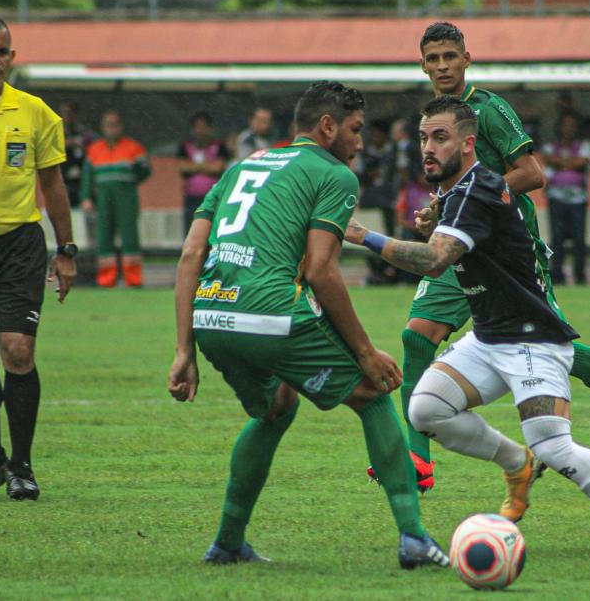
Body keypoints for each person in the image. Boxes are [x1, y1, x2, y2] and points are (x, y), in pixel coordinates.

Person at [347, 96, 590, 555]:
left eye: (440, 138)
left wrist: (363, 236)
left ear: (468, 143)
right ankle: (517, 463)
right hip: (488, 338)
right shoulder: (459, 192)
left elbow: (435, 261)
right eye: (423, 138)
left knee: (557, 449)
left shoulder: (477, 188)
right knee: (425, 410)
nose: (428, 148)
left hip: (533, 341)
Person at [167, 81, 448, 568]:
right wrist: (365, 352)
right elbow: (321, 270)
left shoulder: (241, 167)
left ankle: (228, 543)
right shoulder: (333, 174)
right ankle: (415, 540)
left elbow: (192, 253)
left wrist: (184, 350)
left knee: (275, 407)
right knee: (372, 391)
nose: (360, 143)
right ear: (327, 126)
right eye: (356, 130)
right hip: (268, 309)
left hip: (211, 313)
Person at [388, 22, 590, 495]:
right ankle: (417, 460)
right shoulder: (437, 117)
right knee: (416, 339)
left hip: (510, 249)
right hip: (458, 244)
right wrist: (439, 210)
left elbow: (532, 173)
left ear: (467, 59)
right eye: (432, 59)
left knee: (551, 342)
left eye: (449, 57)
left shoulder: (490, 110)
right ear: (422, 65)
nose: (441, 67)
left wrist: (472, 196)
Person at [0, 12, 77, 500]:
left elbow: (53, 184)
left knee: (18, 350)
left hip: (18, 244)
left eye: (2, 52)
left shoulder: (35, 112)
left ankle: (21, 466)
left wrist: (66, 250)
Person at [81, 110, 151, 288]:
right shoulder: (94, 149)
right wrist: (86, 197)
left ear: (121, 126)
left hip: (126, 197)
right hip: (103, 198)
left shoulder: (133, 148)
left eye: (115, 125)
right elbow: (87, 177)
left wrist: (129, 181)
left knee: (130, 238)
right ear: (103, 128)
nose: (111, 129)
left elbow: (145, 170)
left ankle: (133, 280)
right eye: (108, 125)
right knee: (104, 237)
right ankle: (106, 280)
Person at [541, 112, 590, 285]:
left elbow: (582, 162)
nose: (568, 129)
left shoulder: (584, 145)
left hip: (578, 199)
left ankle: (580, 275)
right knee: (557, 238)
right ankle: (557, 275)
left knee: (579, 239)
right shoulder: (551, 146)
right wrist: (570, 162)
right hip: (556, 198)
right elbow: (548, 159)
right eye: (565, 125)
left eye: (572, 125)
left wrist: (561, 163)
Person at [177, 111, 230, 236]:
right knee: (191, 231)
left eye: (204, 127)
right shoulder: (186, 146)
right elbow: (183, 168)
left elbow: (217, 168)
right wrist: (207, 166)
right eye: (198, 127)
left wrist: (195, 167)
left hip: (213, 196)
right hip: (192, 197)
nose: (201, 131)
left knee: (213, 231)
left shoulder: (219, 146)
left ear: (210, 128)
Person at [360, 119, 397, 236]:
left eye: (378, 134)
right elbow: (360, 175)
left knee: (387, 231)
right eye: (374, 134)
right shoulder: (365, 152)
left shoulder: (393, 152)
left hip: (388, 197)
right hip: (370, 198)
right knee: (369, 230)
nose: (376, 137)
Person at [59, 101, 93, 210]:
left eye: (70, 113)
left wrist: (82, 145)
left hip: (81, 178)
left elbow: (93, 146)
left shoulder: (83, 132)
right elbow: (51, 146)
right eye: (65, 113)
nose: (67, 116)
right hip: (63, 176)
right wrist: (69, 142)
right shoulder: (58, 131)